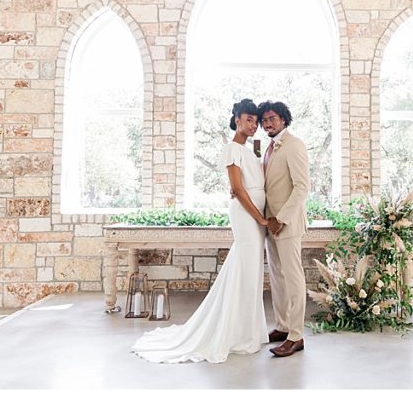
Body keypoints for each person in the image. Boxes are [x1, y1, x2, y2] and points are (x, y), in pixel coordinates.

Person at [132, 98, 268, 363]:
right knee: (246, 268)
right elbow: (238, 190)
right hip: (247, 215)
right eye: (247, 119)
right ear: (236, 119)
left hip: (257, 214)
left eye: (256, 120)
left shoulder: (251, 150)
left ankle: (247, 330)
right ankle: (235, 333)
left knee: (250, 271)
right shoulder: (232, 149)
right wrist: (260, 219)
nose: (253, 125)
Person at [258, 100, 310, 357]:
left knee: (293, 277)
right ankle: (282, 326)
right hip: (269, 222)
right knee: (277, 278)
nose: (267, 123)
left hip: (286, 223)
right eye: (264, 120)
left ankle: (296, 335)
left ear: (283, 119)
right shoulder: (267, 148)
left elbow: (302, 187)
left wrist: (282, 218)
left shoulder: (294, 145)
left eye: (272, 119)